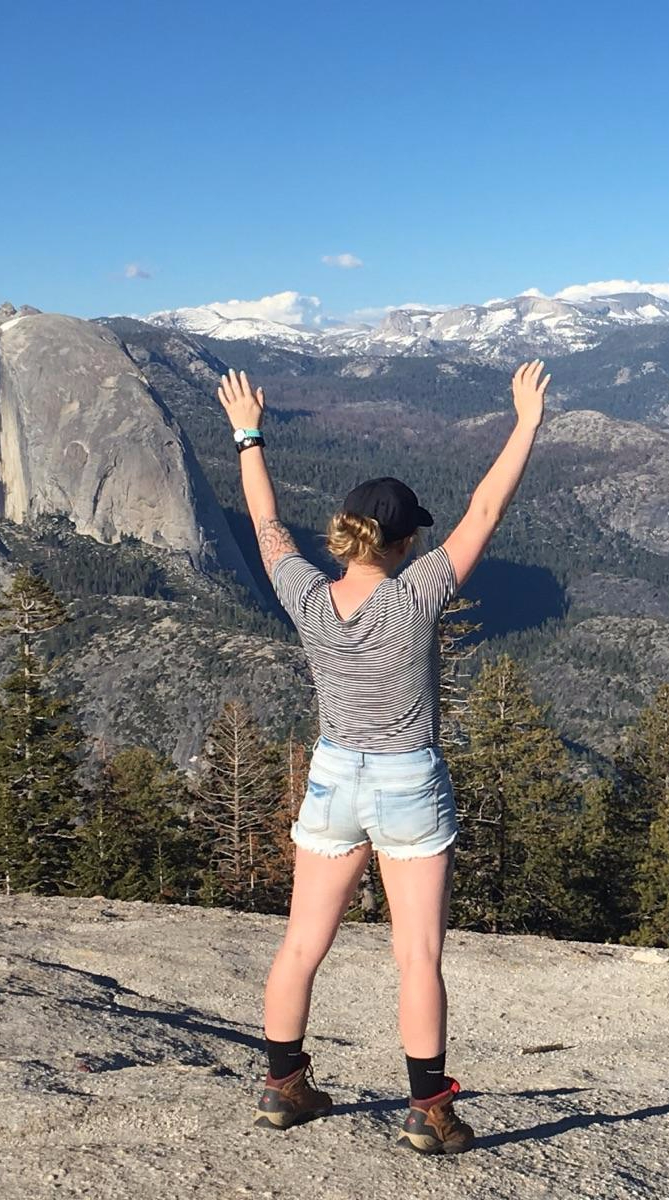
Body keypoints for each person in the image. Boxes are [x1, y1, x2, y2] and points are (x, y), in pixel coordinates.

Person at [217, 361, 550, 1153]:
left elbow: (267, 525)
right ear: (404, 543)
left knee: (302, 944)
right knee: (418, 956)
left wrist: (248, 434)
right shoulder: (417, 593)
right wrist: (526, 424)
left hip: (333, 777)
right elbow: (486, 508)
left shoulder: (304, 594)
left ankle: (283, 1088)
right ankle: (428, 1111)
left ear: (343, 535)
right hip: (408, 781)